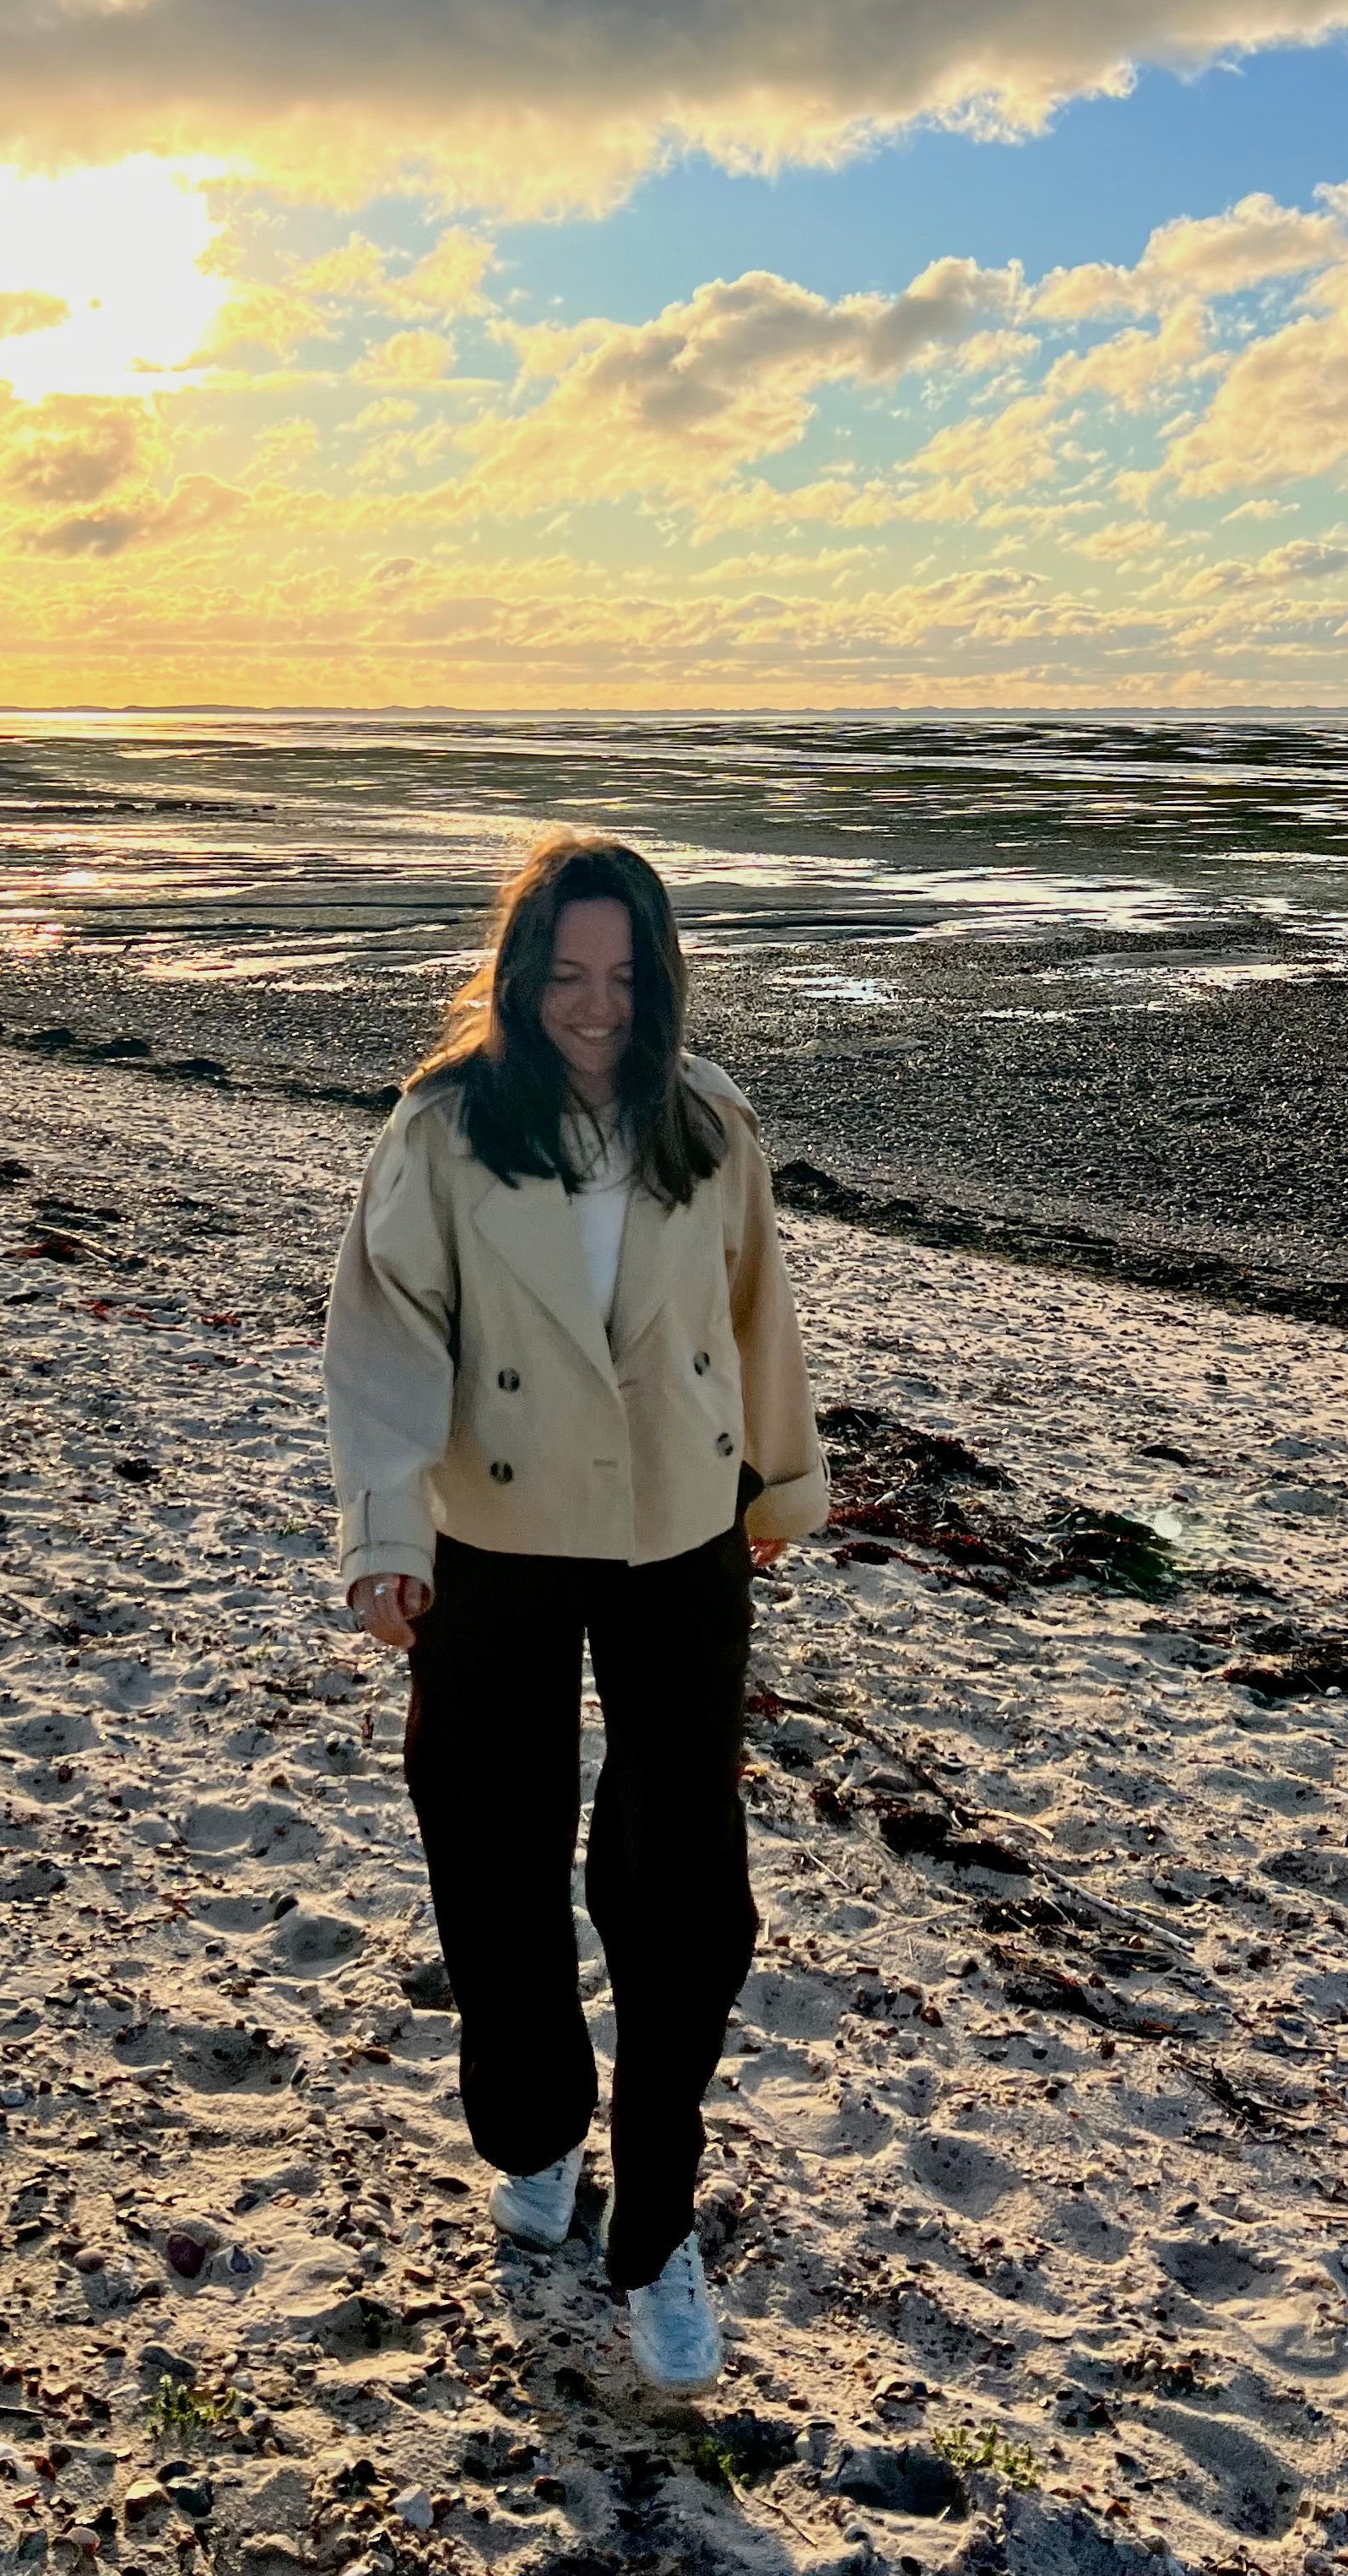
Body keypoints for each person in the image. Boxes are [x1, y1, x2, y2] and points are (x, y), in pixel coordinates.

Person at [322, 831, 830, 2395]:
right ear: (520, 973)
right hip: (503, 1526)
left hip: (681, 1530)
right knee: (486, 1837)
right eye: (567, 975)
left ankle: (658, 2217)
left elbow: (758, 1311)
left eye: (623, 977)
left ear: (657, 979)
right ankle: (541, 2131)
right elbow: (387, 1329)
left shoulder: (707, 1118)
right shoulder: (446, 1123)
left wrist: (778, 1490)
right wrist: (385, 1532)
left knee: (682, 1893)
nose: (595, 1007)